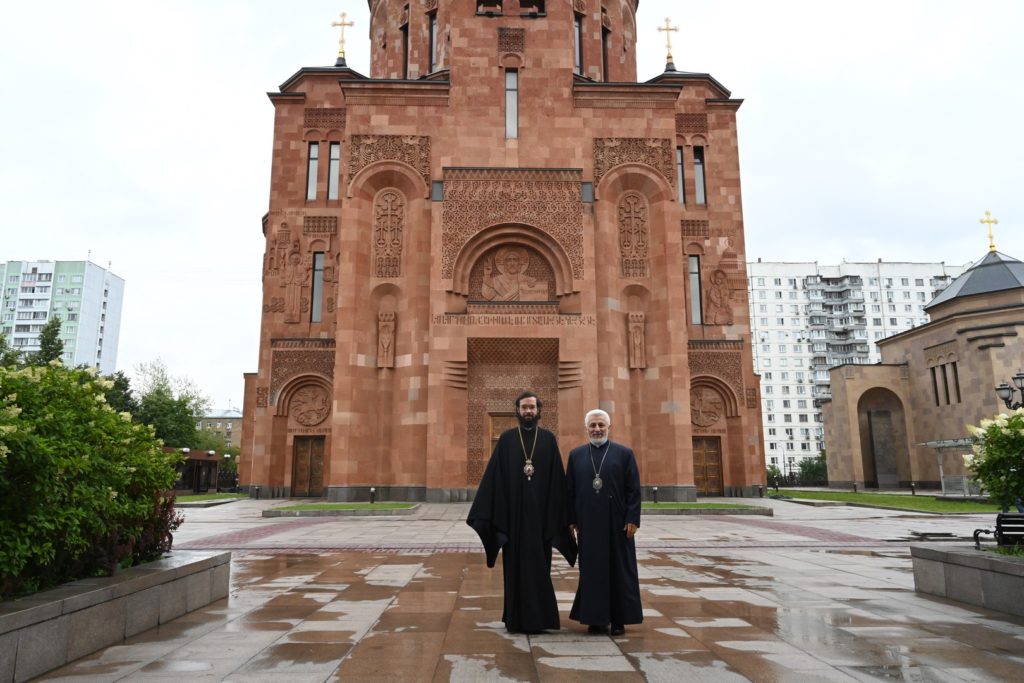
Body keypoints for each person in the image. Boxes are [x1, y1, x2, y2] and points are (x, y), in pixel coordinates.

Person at [467, 391, 577, 633]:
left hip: (541, 521)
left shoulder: (548, 439)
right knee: (514, 569)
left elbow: (557, 482)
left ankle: (541, 619)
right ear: (517, 410)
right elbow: (494, 478)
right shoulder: (507, 440)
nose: (528, 411)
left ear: (539, 411)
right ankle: (515, 619)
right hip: (513, 520)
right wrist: (489, 515)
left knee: (540, 568)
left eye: (532, 407)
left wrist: (565, 517)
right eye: (524, 407)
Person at [567, 409, 642, 636]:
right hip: (588, 524)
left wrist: (632, 518)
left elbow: (633, 490)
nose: (597, 429)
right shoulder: (576, 455)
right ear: (586, 428)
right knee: (592, 571)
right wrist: (571, 519)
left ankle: (619, 619)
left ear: (609, 427)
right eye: (593, 425)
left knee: (620, 571)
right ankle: (595, 619)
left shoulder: (624, 454)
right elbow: (569, 490)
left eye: (601, 425)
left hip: (618, 524)